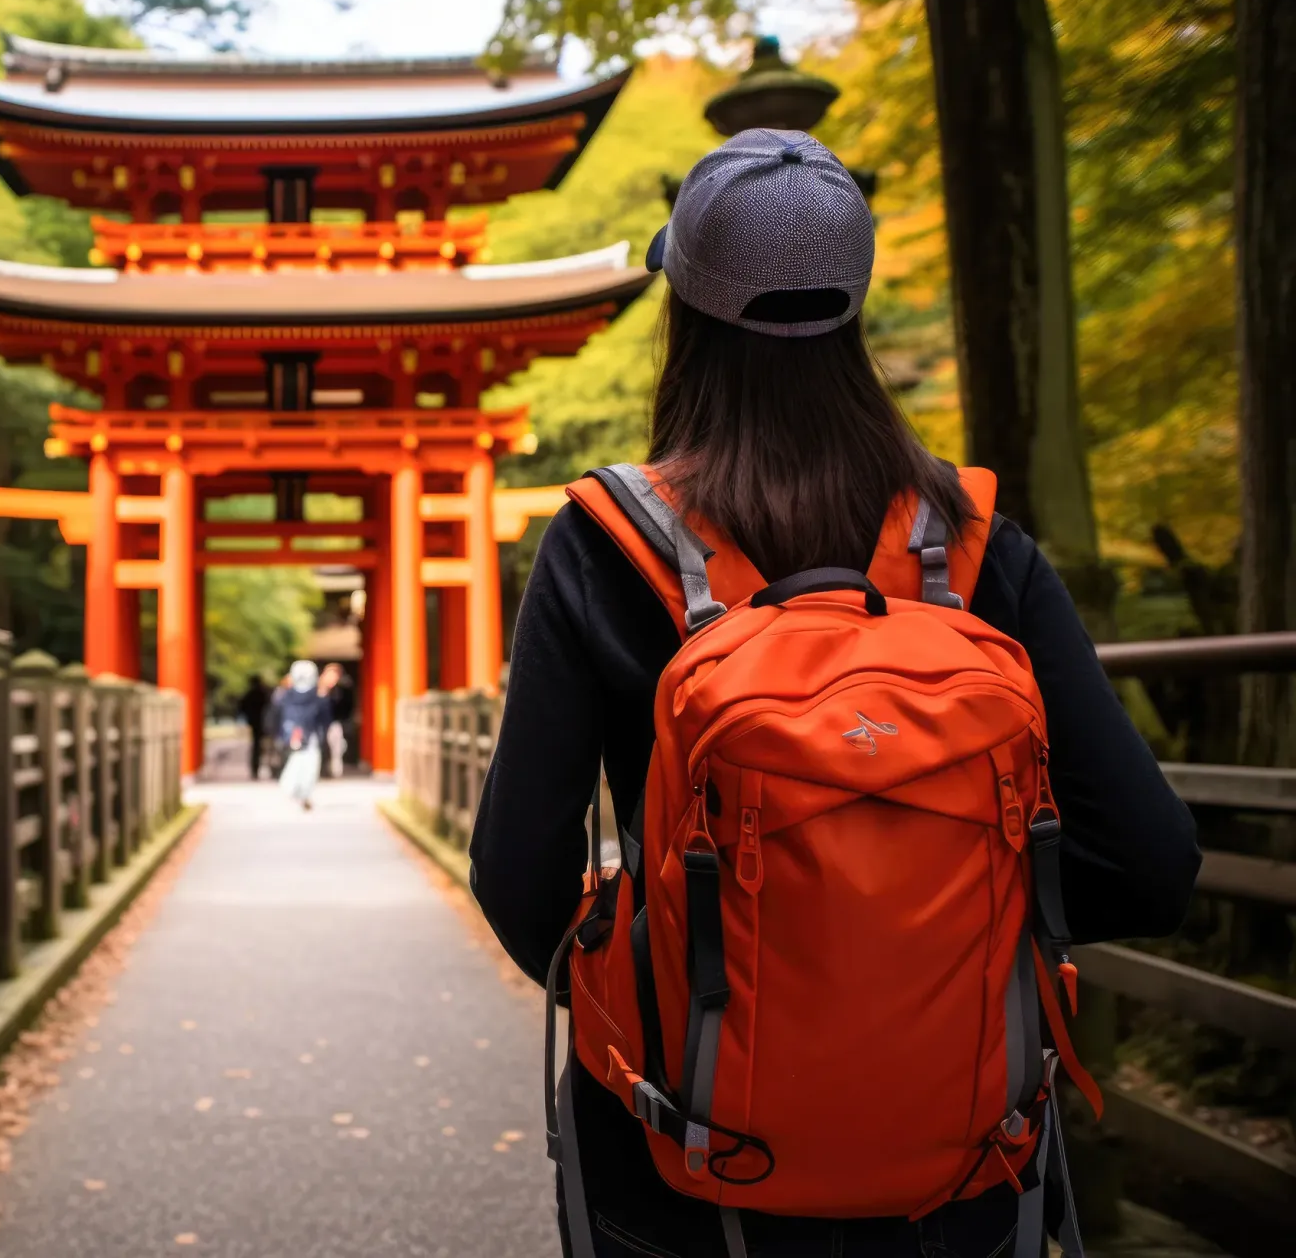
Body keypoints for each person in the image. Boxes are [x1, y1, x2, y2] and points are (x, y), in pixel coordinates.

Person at [469, 129, 1201, 1258]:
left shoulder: (604, 544)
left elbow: (519, 877)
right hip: (961, 1159)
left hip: (688, 1165)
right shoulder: (976, 549)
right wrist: (957, 938)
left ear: (687, 318)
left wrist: (664, 985)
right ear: (855, 311)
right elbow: (1151, 862)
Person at [275, 659, 331, 811]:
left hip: (292, 733)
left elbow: (277, 714)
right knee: (307, 763)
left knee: (298, 761)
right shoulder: (318, 695)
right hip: (308, 735)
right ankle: (301, 792)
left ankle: (297, 791)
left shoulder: (285, 695)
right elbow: (325, 719)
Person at [235, 673, 272, 780]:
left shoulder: (250, 694)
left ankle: (255, 768)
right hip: (262, 722)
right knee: (260, 746)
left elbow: (242, 707)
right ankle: (259, 767)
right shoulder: (262, 693)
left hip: (255, 722)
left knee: (257, 746)